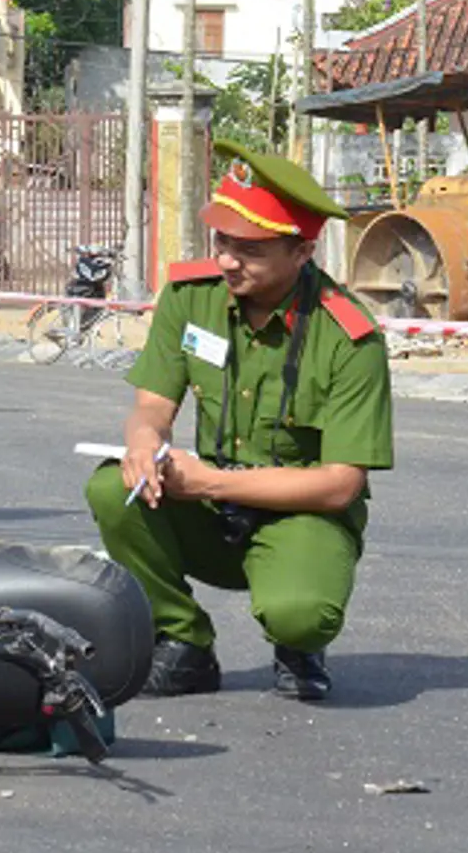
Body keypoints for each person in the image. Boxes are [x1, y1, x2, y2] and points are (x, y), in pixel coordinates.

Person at [83, 140, 393, 701]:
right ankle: (182, 642)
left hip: (299, 514)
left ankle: (297, 645)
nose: (227, 259)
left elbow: (341, 484)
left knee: (299, 613)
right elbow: (152, 405)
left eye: (249, 249)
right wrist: (143, 442)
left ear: (301, 253)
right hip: (210, 506)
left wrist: (209, 481)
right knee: (114, 489)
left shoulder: (349, 336)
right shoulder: (190, 296)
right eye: (222, 241)